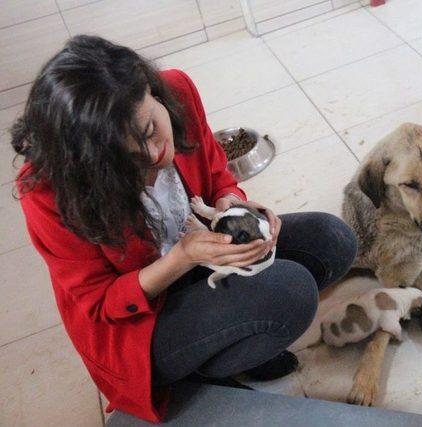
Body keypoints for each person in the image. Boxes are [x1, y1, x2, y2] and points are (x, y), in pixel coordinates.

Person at [11, 35, 357, 423]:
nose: (153, 154)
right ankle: (206, 368)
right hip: (142, 319)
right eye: (126, 161)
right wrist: (184, 256)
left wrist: (231, 201)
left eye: (149, 130)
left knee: (333, 239)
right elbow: (101, 303)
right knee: (289, 292)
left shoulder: (177, 91)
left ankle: (234, 342)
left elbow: (216, 171)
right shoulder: (48, 191)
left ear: (150, 90)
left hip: (200, 260)